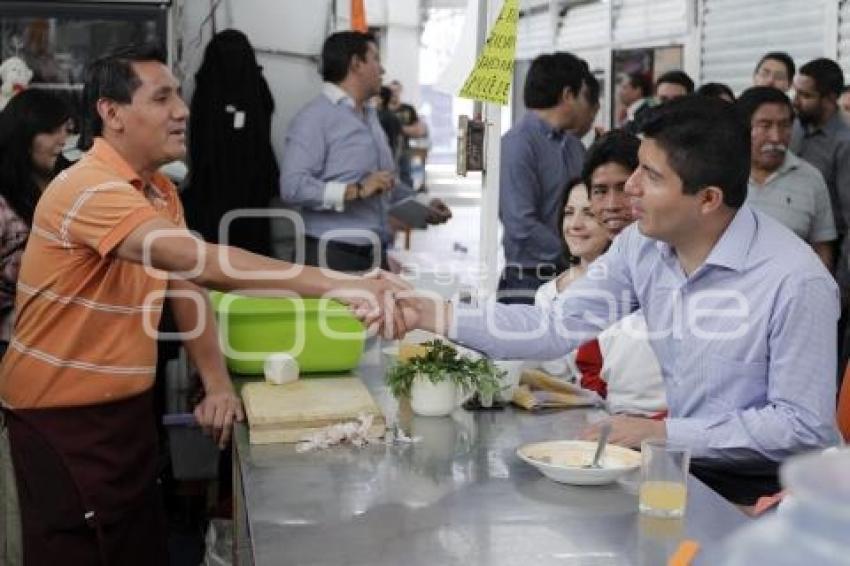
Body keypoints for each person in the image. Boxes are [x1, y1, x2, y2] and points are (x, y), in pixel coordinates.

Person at [0, 44, 408, 564]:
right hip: (63, 420)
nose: (184, 110)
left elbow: (184, 284)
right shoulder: (88, 189)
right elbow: (203, 262)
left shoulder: (157, 191)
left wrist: (216, 382)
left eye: (179, 96)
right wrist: (342, 284)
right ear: (112, 113)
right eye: (163, 97)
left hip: (123, 413)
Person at [400, 96, 840, 505]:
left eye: (649, 175)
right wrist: (430, 312)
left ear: (708, 199)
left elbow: (801, 424)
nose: (629, 188)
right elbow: (553, 326)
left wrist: (664, 431)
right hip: (685, 472)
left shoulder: (796, 282)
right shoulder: (643, 248)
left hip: (776, 494)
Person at [280, 31, 450, 273]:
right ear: (356, 64)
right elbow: (292, 186)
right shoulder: (314, 118)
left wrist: (424, 206)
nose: (382, 70)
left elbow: (385, 183)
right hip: (330, 256)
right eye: (376, 59)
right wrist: (356, 190)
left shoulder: (369, 117)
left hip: (374, 254)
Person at [534, 174, 666, 417]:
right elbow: (552, 375)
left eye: (588, 214)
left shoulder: (637, 291)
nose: (575, 224)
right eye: (568, 212)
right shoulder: (547, 293)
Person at [497, 51, 597, 304]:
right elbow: (520, 224)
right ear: (567, 95)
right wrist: (572, 252)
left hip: (571, 276)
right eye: (582, 94)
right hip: (529, 281)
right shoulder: (518, 144)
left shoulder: (574, 146)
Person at [181, 29, 279, 256]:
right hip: (253, 188)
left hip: (214, 188)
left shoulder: (206, 89)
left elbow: (199, 145)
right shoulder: (256, 86)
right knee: (253, 255)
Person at [0, 89, 70, 357]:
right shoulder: (5, 205)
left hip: (68, 343)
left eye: (67, 130)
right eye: (51, 131)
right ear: (22, 135)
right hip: (15, 345)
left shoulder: (71, 187)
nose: (63, 140)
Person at [737, 86, 836, 268]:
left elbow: (822, 247)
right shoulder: (721, 175)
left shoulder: (811, 179)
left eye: (784, 126)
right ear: (743, 128)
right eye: (765, 126)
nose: (776, 137)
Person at [791, 58, 850, 240]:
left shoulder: (844, 143)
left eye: (806, 95)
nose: (796, 102)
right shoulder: (793, 128)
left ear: (830, 98)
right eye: (796, 93)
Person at [387, 79, 427, 188]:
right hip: (387, 150)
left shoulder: (408, 109)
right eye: (391, 91)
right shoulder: (383, 110)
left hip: (404, 149)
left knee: (406, 178)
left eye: (396, 90)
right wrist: (406, 129)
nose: (394, 93)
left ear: (400, 91)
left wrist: (397, 128)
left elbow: (419, 130)